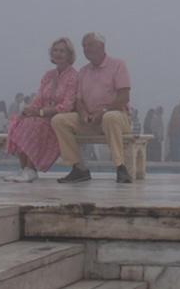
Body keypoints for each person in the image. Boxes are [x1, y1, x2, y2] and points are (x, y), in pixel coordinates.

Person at [51, 33, 133, 183]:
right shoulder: (83, 71)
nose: (86, 49)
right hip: (90, 120)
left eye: (89, 45)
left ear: (101, 46)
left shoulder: (117, 65)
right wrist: (82, 113)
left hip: (116, 118)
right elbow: (79, 100)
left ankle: (120, 167)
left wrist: (103, 112)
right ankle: (78, 168)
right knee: (59, 120)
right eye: (84, 46)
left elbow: (124, 97)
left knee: (110, 117)